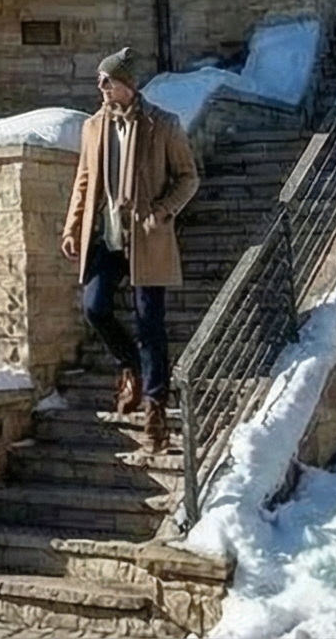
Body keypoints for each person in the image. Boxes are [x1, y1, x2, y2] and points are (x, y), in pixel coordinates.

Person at [60, 47, 200, 450]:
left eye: (109, 80)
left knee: (149, 322)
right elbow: (84, 182)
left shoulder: (164, 125)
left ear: (127, 84)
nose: (102, 87)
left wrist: (162, 211)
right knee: (95, 307)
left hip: (146, 237)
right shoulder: (92, 127)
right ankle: (130, 366)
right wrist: (72, 227)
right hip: (107, 236)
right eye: (100, 81)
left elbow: (188, 178)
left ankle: (155, 407)